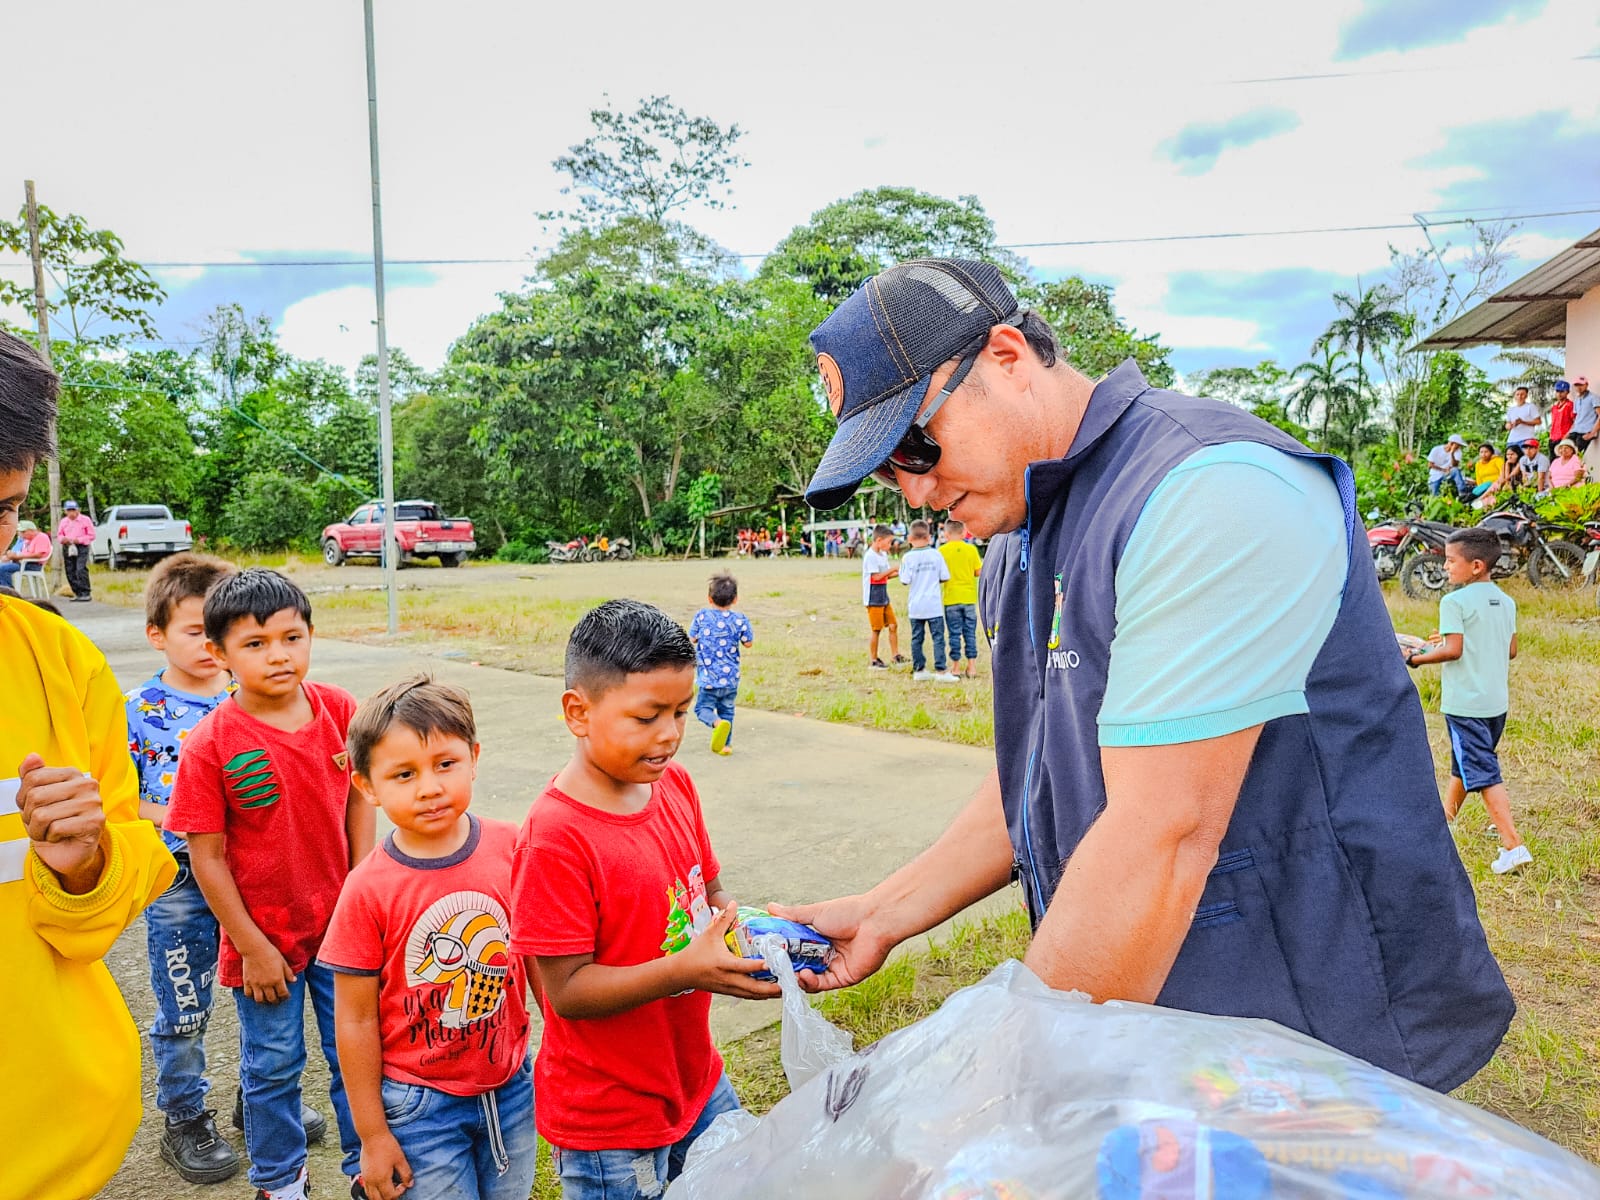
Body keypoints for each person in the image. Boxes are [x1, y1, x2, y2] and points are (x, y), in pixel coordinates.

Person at [781, 257, 1510, 1094]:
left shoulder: (1212, 486)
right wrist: (884, 912)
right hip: (1161, 1020)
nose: (913, 492)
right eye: (885, 472)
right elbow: (1035, 769)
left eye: (914, 444)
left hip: (1313, 1009)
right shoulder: (1017, 538)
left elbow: (1161, 832)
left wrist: (1004, 1095)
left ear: (1007, 357)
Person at [510, 600, 779, 1200]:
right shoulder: (555, 837)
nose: (671, 734)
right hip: (610, 1116)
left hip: (694, 1077)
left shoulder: (674, 785)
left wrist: (752, 931)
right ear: (578, 712)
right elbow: (566, 993)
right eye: (647, 716)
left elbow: (709, 890)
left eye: (681, 711)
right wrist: (685, 969)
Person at [0, 329, 178, 1200]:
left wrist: (86, 866)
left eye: (4, 509)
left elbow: (126, 865)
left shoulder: (57, 659)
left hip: (54, 1147)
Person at [166, 568, 375, 1200]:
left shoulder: (340, 710)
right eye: (255, 643)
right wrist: (251, 945)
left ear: (310, 635)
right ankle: (281, 1181)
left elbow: (359, 801)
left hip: (343, 931)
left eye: (291, 637)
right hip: (266, 945)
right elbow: (206, 858)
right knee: (274, 1066)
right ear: (219, 653)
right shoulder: (211, 743)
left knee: (357, 1054)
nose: (278, 655)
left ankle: (368, 1167)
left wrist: (363, 893)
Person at [320, 677, 536, 1200]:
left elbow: (536, 956)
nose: (429, 787)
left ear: (474, 758)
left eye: (445, 764)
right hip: (418, 1106)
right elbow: (353, 1019)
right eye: (404, 774)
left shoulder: (512, 846)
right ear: (367, 786)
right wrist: (373, 1135)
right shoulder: (367, 889)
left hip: (512, 1087)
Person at [125, 552, 251, 1185]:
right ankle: (183, 1117)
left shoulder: (249, 700)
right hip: (177, 877)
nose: (210, 645)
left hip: (249, 871)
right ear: (158, 634)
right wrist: (188, 814)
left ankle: (260, 1096)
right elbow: (119, 799)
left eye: (221, 631)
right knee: (183, 1003)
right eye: (195, 630)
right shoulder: (136, 709)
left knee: (263, 988)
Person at [1402, 528, 1530, 875]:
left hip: (1465, 705)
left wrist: (1414, 658)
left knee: (1482, 770)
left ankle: (1513, 845)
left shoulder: (1453, 602)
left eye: (1450, 560)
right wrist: (1449, 641)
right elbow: (1510, 649)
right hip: (1495, 704)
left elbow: (1453, 650)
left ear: (1475, 566)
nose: (1445, 566)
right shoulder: (1506, 601)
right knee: (1468, 761)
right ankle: (1445, 819)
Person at [688, 572, 754, 756]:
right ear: (735, 599)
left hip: (708, 679)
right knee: (727, 712)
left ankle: (716, 723)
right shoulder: (740, 619)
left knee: (702, 709)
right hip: (730, 679)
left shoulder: (702, 616)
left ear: (709, 598)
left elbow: (692, 638)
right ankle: (725, 745)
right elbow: (748, 643)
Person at [898, 520, 957, 682]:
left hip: (916, 606)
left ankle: (919, 669)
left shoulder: (907, 558)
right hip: (933, 605)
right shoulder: (936, 555)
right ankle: (941, 670)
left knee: (917, 638)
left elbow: (904, 580)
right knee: (938, 638)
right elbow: (945, 576)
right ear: (929, 537)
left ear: (910, 538)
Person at [938, 518, 983, 679]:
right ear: (964, 532)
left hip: (951, 599)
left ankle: (956, 667)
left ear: (946, 534)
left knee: (954, 633)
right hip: (969, 598)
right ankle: (972, 666)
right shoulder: (971, 549)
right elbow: (978, 571)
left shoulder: (942, 551)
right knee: (970, 633)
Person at [861, 523, 905, 670]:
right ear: (879, 540)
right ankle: (874, 660)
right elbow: (877, 577)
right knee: (876, 629)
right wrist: (893, 569)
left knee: (893, 625)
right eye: (889, 542)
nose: (890, 545)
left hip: (883, 596)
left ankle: (895, 655)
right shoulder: (870, 556)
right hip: (873, 597)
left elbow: (886, 575)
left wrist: (901, 572)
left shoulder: (883, 555)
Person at [56, 497, 95, 602]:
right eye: (69, 510)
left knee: (80, 568)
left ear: (78, 510)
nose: (71, 513)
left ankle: (85, 592)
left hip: (81, 546)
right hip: (68, 546)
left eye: (73, 510)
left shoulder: (85, 520)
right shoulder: (64, 521)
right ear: (65, 511)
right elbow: (59, 535)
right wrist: (63, 539)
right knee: (70, 570)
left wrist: (79, 540)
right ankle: (77, 592)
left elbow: (91, 535)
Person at [0, 516, 50, 588]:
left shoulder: (41, 537)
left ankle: (8, 590)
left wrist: (18, 556)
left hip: (33, 565)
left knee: (3, 569)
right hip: (23, 562)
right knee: (1, 565)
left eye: (23, 532)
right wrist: (11, 556)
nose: (21, 534)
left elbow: (39, 555)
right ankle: (4, 589)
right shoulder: (27, 540)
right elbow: (22, 553)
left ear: (31, 530)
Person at [1502, 385, 1541, 451]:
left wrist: (1522, 422)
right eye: (1517, 394)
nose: (1519, 396)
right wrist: (1509, 426)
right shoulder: (1511, 409)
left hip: (1526, 439)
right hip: (1511, 440)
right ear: (1514, 396)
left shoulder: (1530, 406)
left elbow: (1538, 422)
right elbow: (1507, 424)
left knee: (1525, 457)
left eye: (1522, 394)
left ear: (1526, 396)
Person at [1572, 375, 1598, 471]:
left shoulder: (1593, 398)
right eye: (1577, 385)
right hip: (1576, 430)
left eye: (1581, 385)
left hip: (1585, 432)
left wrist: (1592, 433)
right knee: (1565, 450)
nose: (1579, 387)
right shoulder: (1577, 399)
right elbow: (1576, 417)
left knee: (1579, 457)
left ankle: (1580, 477)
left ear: (1586, 385)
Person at [1548, 379, 1574, 447]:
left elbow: (1575, 422)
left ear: (1567, 392)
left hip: (1564, 439)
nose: (1559, 394)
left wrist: (1567, 435)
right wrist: (1550, 435)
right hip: (1552, 439)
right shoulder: (1554, 407)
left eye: (1562, 391)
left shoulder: (1570, 405)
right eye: (1557, 391)